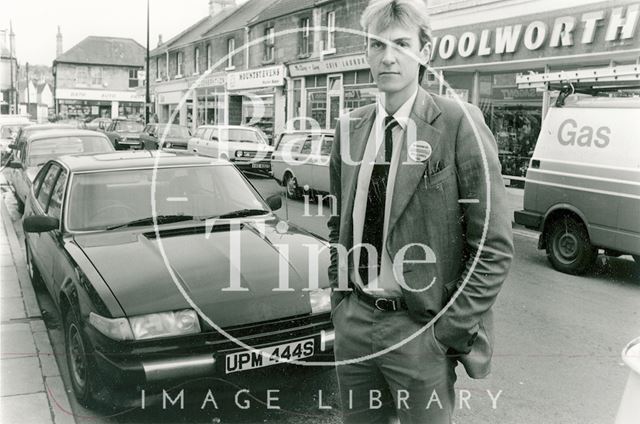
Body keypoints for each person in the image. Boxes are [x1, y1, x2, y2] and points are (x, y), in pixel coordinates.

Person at [327, 1, 514, 423]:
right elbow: (339, 223)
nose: (387, 56)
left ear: (424, 52)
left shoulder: (458, 123)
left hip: (419, 332)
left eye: (401, 44)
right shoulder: (348, 128)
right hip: (355, 323)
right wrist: (340, 302)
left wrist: (446, 334)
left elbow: (493, 246)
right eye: (377, 45)